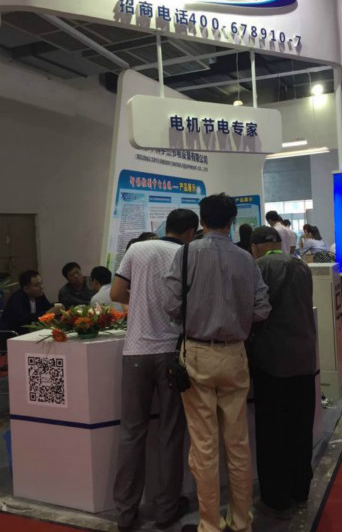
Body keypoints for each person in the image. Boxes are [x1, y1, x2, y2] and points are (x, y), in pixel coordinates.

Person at [164, 193, 271, 532]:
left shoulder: (185, 254)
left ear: (201, 220)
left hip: (197, 353)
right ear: (232, 221)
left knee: (204, 445)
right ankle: (241, 521)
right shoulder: (246, 259)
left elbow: (171, 305)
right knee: (238, 444)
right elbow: (262, 309)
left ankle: (210, 524)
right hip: (235, 353)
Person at [110, 209, 199, 532]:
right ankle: (165, 510)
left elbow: (116, 293)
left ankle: (125, 513)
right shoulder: (188, 255)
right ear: (190, 232)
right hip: (172, 354)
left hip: (135, 352)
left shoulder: (137, 248)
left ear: (166, 226)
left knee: (131, 433)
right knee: (170, 433)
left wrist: (142, 302)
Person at [248, 226, 316, 520]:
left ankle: (276, 498)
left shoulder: (259, 267)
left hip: (272, 361)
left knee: (272, 432)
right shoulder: (302, 266)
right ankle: (301, 490)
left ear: (255, 247)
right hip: (304, 359)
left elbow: (254, 310)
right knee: (300, 429)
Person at [0, 270, 55, 335]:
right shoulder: (17, 298)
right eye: (36, 285)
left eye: (41, 283)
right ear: (26, 289)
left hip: (29, 332)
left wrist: (56, 308)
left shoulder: (39, 295)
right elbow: (23, 319)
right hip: (13, 333)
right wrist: (46, 314)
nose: (41, 287)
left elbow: (47, 308)